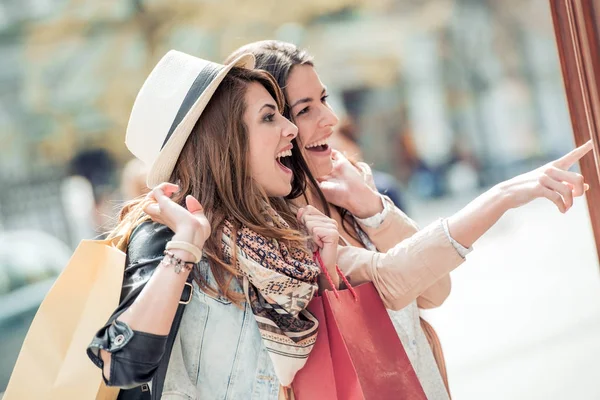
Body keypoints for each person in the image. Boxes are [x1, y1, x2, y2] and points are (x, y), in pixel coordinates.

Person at [225, 40, 593, 399]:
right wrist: (501, 197)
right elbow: (392, 277)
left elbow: (435, 290)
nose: (331, 119)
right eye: (304, 110)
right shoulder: (276, 230)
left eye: (324, 99)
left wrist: (373, 209)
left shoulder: (351, 185)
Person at [86, 51, 342, 400]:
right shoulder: (169, 233)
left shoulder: (278, 243)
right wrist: (186, 244)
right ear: (224, 143)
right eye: (268, 118)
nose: (291, 128)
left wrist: (325, 271)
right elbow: (121, 364)